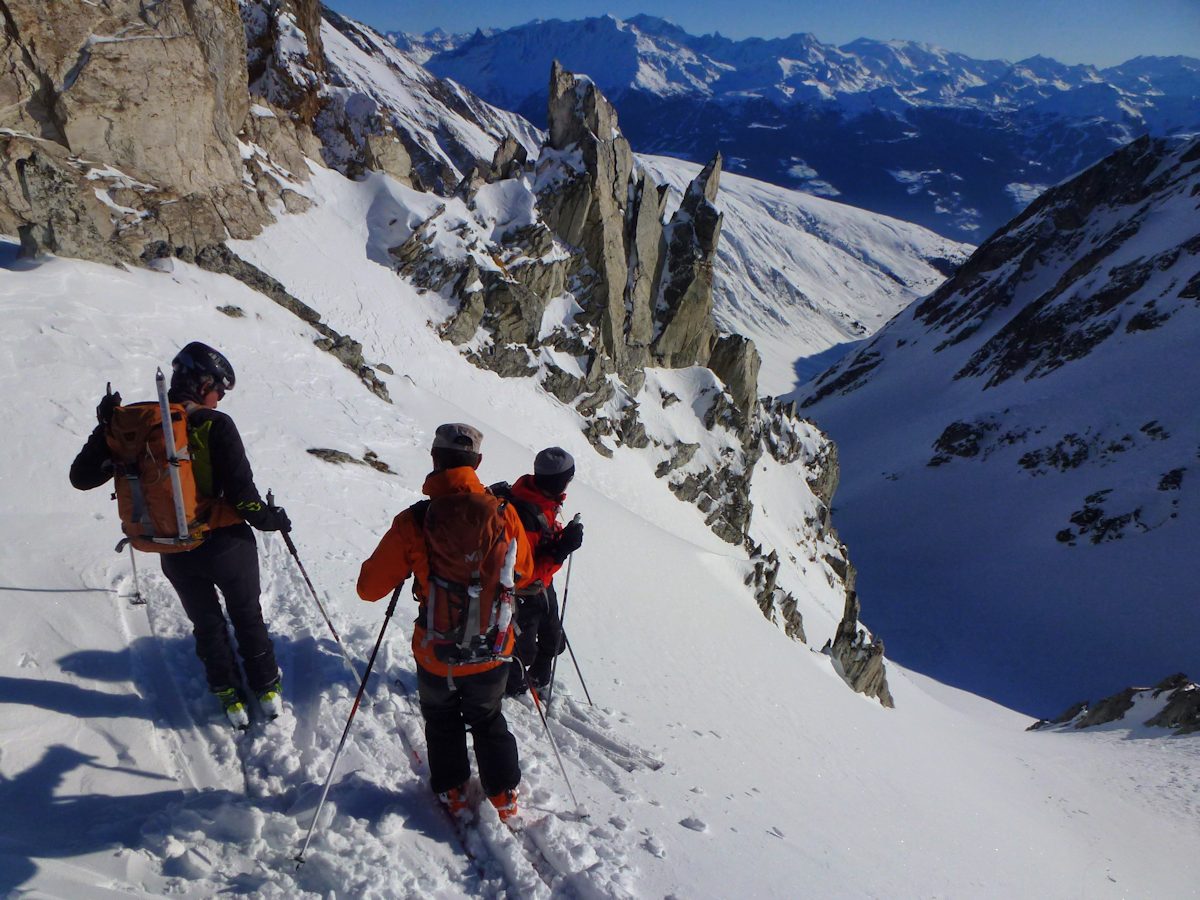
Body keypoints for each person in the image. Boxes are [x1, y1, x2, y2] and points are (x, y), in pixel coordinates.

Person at [69, 342, 291, 727]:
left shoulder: (136, 425)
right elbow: (245, 500)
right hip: (225, 544)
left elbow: (82, 477)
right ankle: (266, 686)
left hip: (173, 546)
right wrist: (274, 519)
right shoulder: (214, 424)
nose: (219, 399)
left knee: (207, 623)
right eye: (219, 390)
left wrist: (103, 428)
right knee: (245, 613)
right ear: (203, 383)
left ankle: (226, 692)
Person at [357, 423, 534, 822]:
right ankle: (503, 797)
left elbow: (368, 589)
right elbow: (522, 573)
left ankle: (453, 792)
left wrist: (413, 566)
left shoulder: (415, 521)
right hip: (491, 651)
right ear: (478, 463)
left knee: (441, 719)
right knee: (488, 719)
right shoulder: (504, 514)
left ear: (434, 460)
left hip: (436, 651)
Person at [497, 447, 584, 698]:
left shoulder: (538, 497)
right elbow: (525, 571)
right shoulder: (524, 513)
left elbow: (540, 545)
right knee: (521, 652)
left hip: (542, 587)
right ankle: (512, 682)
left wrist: (559, 539)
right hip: (523, 592)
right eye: (568, 478)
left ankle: (536, 674)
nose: (568, 483)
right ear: (558, 481)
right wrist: (561, 550)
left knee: (553, 640)